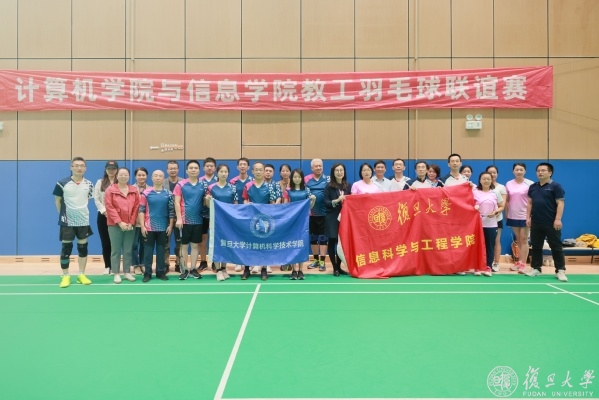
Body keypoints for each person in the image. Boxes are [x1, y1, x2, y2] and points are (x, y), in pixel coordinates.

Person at [54, 157, 94, 288]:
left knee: (83, 248)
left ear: (85, 168)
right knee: (66, 249)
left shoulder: (89, 184)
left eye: (82, 166)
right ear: (71, 167)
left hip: (83, 221)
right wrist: (64, 216)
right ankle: (65, 276)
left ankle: (81, 274)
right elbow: (58, 201)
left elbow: (87, 200)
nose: (79, 168)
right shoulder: (61, 183)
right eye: (76, 165)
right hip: (67, 221)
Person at [525, 163, 567, 282]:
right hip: (536, 222)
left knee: (556, 246)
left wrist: (558, 219)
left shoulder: (556, 186)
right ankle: (536, 269)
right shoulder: (533, 187)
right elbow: (530, 203)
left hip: (551, 222)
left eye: (543, 170)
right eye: (538, 170)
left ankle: (560, 270)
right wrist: (528, 217)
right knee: (536, 246)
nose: (540, 172)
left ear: (550, 172)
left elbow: (560, 203)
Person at [241, 162, 280, 280]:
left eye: (260, 170)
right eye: (256, 170)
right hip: (251, 219)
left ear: (263, 171)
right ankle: (246, 269)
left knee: (264, 245)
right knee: (249, 244)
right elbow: (244, 200)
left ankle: (264, 269)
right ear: (252, 171)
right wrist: (247, 204)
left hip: (265, 220)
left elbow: (272, 203)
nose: (258, 172)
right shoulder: (248, 185)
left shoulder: (270, 187)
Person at [104, 167, 140, 284]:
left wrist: (131, 222)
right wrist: (119, 222)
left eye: (126, 175)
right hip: (114, 225)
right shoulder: (110, 190)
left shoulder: (134, 190)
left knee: (128, 249)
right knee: (115, 250)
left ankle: (127, 272)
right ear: (117, 176)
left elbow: (136, 207)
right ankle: (116, 273)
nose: (123, 176)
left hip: (130, 225)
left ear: (129, 176)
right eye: (121, 174)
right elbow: (109, 207)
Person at [139, 170, 174, 282]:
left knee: (161, 250)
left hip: (163, 227)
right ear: (152, 178)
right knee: (148, 251)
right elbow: (141, 210)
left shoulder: (169, 194)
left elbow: (171, 211)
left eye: (160, 176)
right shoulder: (146, 193)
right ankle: (147, 273)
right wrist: (142, 226)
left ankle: (160, 272)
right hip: (148, 227)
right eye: (155, 176)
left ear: (163, 179)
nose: (158, 178)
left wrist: (170, 225)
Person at [174, 160, 207, 280]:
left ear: (199, 170)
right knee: (183, 246)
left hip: (198, 220)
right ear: (187, 170)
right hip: (184, 221)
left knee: (194, 246)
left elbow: (206, 201)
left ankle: (193, 269)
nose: (193, 170)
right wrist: (179, 218)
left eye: (196, 168)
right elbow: (176, 202)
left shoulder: (203, 185)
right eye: (191, 168)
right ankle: (184, 270)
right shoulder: (180, 185)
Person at [205, 164, 238, 281]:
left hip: (228, 220)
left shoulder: (232, 188)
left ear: (228, 173)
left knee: (226, 243)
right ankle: (218, 270)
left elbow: (235, 205)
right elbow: (208, 205)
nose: (223, 174)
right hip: (215, 219)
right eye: (221, 172)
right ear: (217, 173)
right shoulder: (211, 187)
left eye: (225, 172)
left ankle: (224, 268)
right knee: (216, 244)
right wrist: (208, 200)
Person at [283, 169, 316, 280]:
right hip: (292, 221)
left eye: (299, 177)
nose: (297, 179)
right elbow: (285, 206)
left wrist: (313, 200)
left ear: (302, 178)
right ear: (292, 178)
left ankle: (301, 270)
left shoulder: (306, 190)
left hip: (304, 221)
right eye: (295, 177)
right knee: (292, 244)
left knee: (302, 244)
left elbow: (309, 207)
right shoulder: (288, 191)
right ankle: (293, 270)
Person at [473, 172, 504, 277]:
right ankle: (477, 267)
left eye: (488, 179)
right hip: (477, 224)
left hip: (491, 224)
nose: (486, 181)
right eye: (484, 179)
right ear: (480, 180)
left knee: (490, 246)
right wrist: (474, 208)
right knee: (477, 246)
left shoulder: (495, 192)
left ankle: (488, 267)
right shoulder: (474, 191)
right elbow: (468, 203)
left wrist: (495, 212)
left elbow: (501, 206)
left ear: (491, 180)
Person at [505, 163, 534, 274]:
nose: (519, 171)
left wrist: (530, 216)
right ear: (513, 171)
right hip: (513, 215)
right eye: (517, 170)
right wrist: (507, 213)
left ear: (525, 171)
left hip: (525, 215)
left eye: (521, 170)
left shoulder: (530, 183)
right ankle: (519, 262)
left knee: (524, 239)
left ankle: (523, 264)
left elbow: (532, 201)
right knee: (518, 239)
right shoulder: (509, 184)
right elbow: (507, 200)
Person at [324, 163, 352, 277]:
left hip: (344, 217)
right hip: (332, 217)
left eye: (341, 170)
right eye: (337, 170)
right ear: (333, 173)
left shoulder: (348, 186)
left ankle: (339, 267)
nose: (339, 172)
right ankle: (334, 268)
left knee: (342, 242)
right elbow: (326, 202)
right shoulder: (329, 186)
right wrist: (337, 200)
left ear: (344, 172)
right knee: (332, 241)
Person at [304, 159, 330, 271]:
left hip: (325, 214)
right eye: (316, 166)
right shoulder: (306, 180)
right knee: (313, 237)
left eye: (320, 166)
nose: (319, 168)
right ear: (312, 168)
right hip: (311, 214)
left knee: (323, 238)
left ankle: (322, 261)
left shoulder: (328, 179)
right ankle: (315, 260)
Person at [93, 160, 118, 275]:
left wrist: (115, 213)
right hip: (103, 216)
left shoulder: (120, 182)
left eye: (113, 169)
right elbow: (97, 198)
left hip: (117, 216)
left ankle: (115, 266)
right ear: (106, 170)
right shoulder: (100, 182)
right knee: (106, 242)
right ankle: (108, 266)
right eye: (109, 169)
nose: (111, 171)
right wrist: (104, 211)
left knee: (115, 243)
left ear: (117, 170)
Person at [230, 157, 253, 272]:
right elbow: (232, 198)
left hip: (250, 214)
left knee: (250, 238)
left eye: (245, 164)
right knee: (238, 238)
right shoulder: (233, 182)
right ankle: (238, 262)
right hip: (237, 213)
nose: (243, 166)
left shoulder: (253, 180)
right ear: (237, 167)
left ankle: (250, 261)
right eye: (241, 164)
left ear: (248, 167)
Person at [198, 157, 217, 273]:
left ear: (215, 168)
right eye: (207, 166)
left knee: (215, 239)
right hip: (202, 214)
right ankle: (203, 261)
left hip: (216, 215)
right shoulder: (199, 181)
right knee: (203, 238)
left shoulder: (219, 180)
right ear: (203, 168)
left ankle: (215, 261)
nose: (209, 168)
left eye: (211, 166)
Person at [486, 165, 507, 272]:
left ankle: (496, 262)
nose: (492, 174)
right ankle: (485, 262)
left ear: (497, 174)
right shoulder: (481, 187)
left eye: (494, 172)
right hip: (484, 221)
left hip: (497, 219)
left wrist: (496, 212)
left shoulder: (501, 187)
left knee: (496, 240)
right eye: (490, 172)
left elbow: (502, 204)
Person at [165, 160, 183, 273]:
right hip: (165, 217)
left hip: (180, 217)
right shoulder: (162, 183)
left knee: (179, 242)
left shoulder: (183, 182)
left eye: (175, 168)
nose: (173, 170)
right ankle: (165, 264)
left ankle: (179, 263)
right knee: (165, 243)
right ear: (167, 170)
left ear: (178, 169)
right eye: (170, 168)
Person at [132, 167, 149, 275]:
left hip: (146, 222)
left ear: (147, 176)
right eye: (139, 175)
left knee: (144, 244)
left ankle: (143, 263)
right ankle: (135, 265)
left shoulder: (151, 189)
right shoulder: (131, 189)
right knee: (133, 245)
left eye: (143, 175)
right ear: (135, 176)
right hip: (134, 222)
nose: (141, 177)